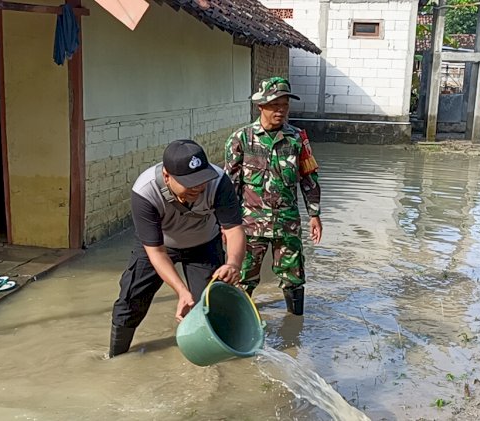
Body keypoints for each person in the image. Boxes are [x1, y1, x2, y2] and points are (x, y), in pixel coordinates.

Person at [109, 139, 246, 357]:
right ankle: (116, 357)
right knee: (131, 300)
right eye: (189, 182)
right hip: (160, 245)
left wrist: (233, 263)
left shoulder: (219, 182)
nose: (198, 187)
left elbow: (233, 230)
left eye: (201, 180)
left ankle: (213, 364)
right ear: (166, 176)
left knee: (210, 305)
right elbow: (156, 252)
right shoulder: (145, 191)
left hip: (204, 244)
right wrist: (181, 291)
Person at [224, 76, 322, 316]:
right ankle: (239, 323)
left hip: (287, 223)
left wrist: (314, 215)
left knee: (294, 277)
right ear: (261, 106)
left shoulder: (298, 138)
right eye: (275, 105)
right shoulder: (242, 139)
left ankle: (295, 329)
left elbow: (309, 178)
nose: (281, 110)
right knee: (243, 277)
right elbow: (229, 187)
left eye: (285, 105)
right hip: (249, 225)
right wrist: (225, 226)